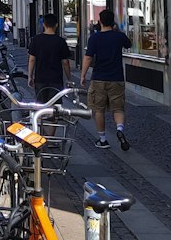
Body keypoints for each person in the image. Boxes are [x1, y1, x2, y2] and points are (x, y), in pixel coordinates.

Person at [81, 8, 132, 150]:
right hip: (116, 78)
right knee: (118, 108)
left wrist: (83, 75)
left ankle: (103, 139)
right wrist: (117, 31)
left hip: (99, 78)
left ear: (100, 21)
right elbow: (128, 44)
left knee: (99, 109)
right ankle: (120, 130)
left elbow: (88, 57)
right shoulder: (118, 37)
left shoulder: (95, 38)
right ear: (113, 21)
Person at [28, 13, 73, 102]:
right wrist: (69, 79)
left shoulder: (36, 40)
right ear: (56, 25)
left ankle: (41, 116)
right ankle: (53, 116)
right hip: (56, 79)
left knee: (41, 106)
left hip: (40, 78)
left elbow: (32, 59)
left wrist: (30, 76)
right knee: (55, 106)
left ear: (43, 24)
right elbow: (65, 62)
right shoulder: (60, 41)